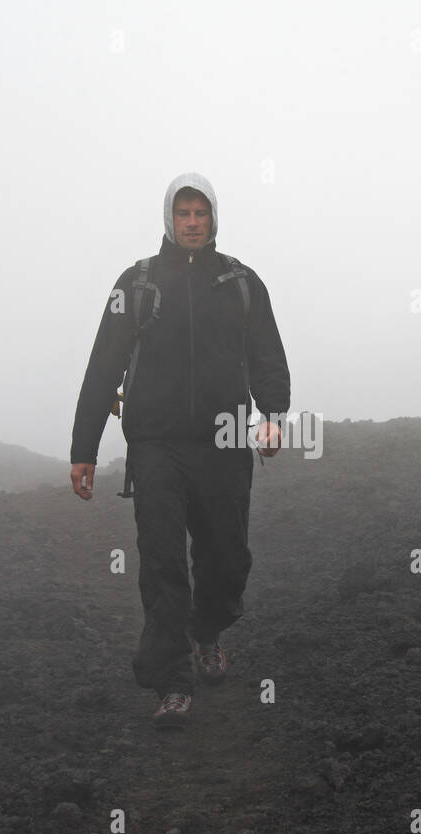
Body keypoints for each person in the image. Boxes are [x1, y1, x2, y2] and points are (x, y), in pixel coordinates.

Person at [69, 172, 291, 728]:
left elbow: (266, 353)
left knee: (226, 555)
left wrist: (273, 416)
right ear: (168, 218)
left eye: (201, 214)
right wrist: (84, 449)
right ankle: (172, 682)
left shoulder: (240, 282)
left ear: (214, 218)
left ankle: (209, 630)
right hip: (156, 443)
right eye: (183, 214)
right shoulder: (137, 284)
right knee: (163, 561)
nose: (192, 223)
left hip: (225, 438)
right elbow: (103, 369)